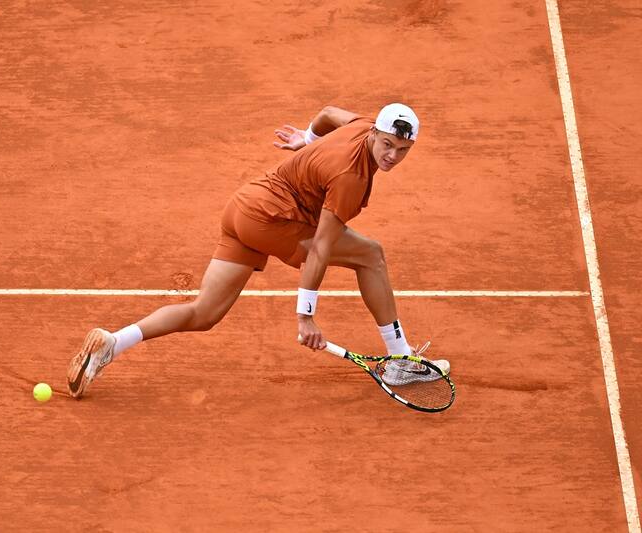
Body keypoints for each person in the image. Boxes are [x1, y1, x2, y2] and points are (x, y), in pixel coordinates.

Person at [67, 103, 450, 398]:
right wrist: (306, 317)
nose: (392, 157)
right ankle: (400, 359)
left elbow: (330, 113)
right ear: (375, 134)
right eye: (387, 145)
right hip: (271, 220)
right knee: (371, 254)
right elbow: (320, 248)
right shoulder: (350, 177)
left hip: (242, 209)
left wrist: (308, 138)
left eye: (403, 149)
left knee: (204, 313)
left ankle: (113, 343)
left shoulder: (363, 124)